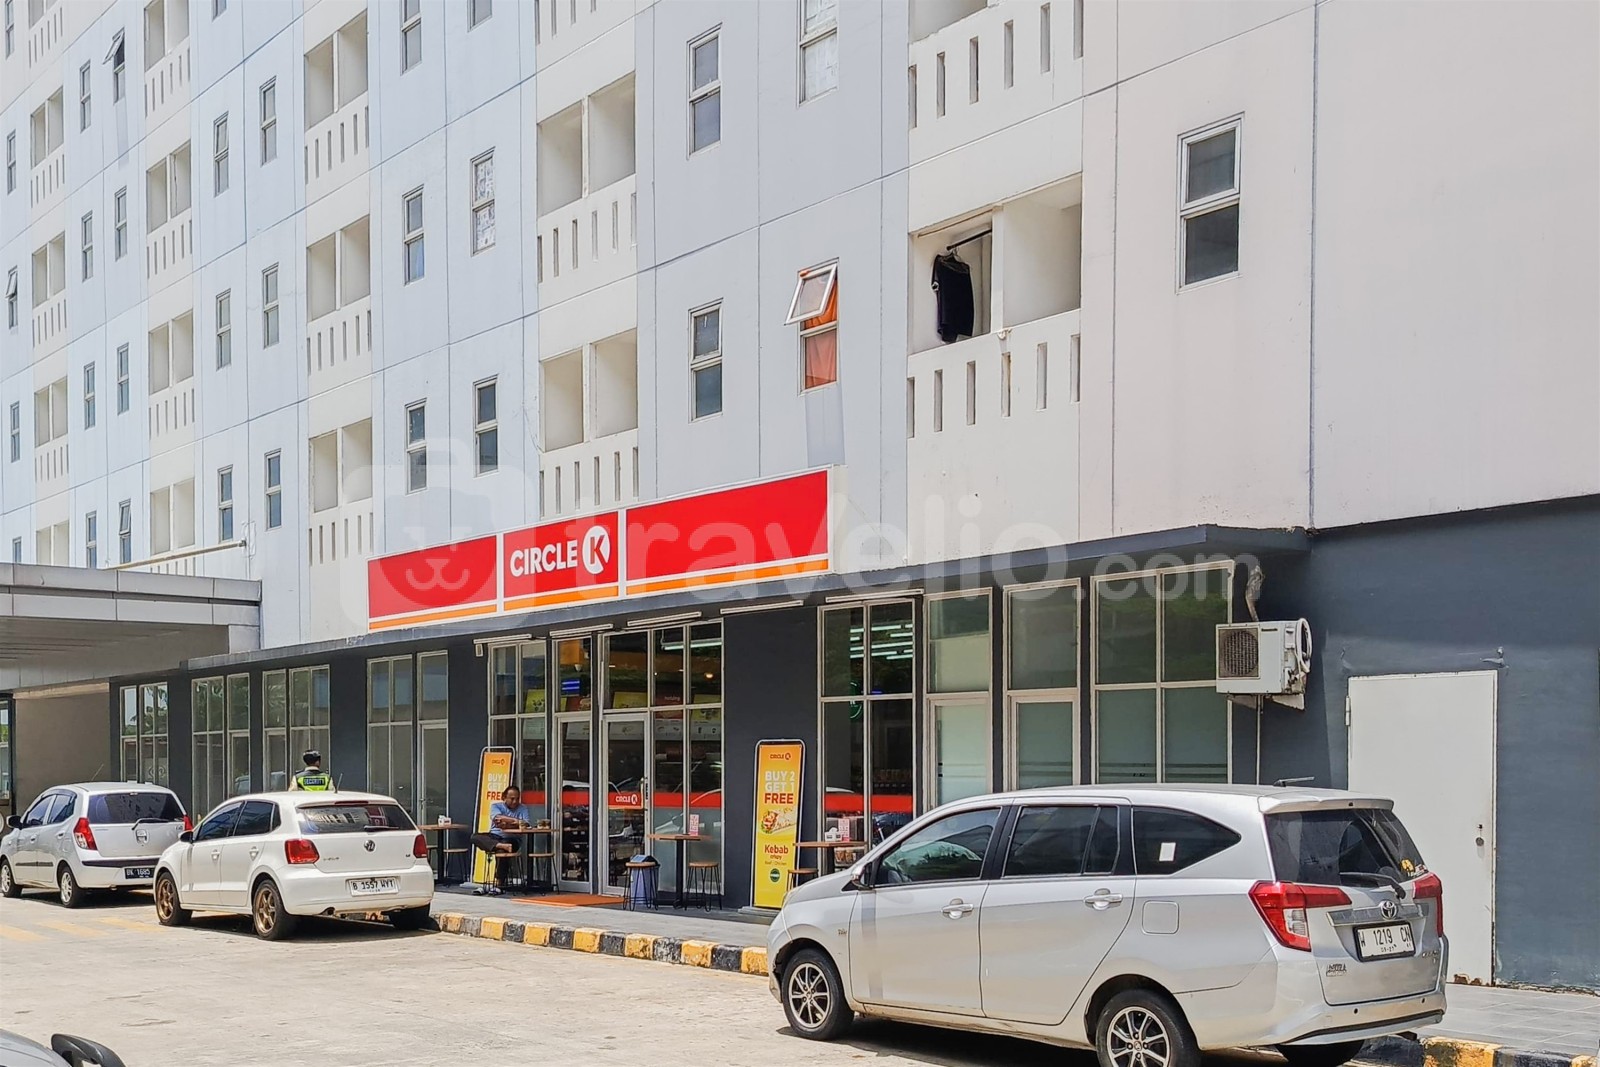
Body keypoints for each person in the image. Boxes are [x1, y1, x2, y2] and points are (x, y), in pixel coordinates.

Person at [471, 786, 532, 895]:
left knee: (502, 852)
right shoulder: (496, 806)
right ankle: (500, 845)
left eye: (517, 799)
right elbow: (497, 817)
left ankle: (499, 884)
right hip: (495, 836)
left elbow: (526, 824)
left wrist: (507, 823)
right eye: (512, 799)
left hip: (512, 838)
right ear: (504, 797)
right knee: (475, 837)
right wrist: (516, 821)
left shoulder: (523, 808)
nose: (515, 802)